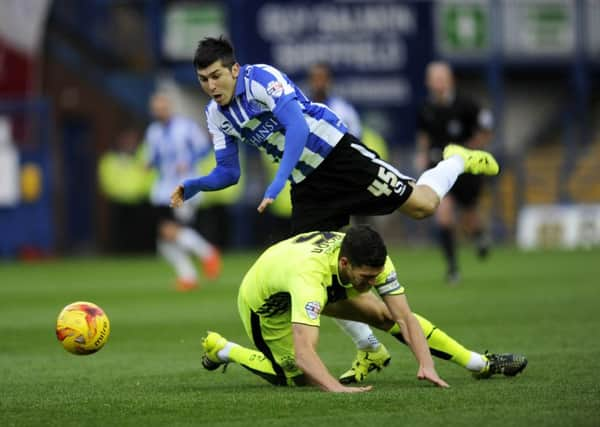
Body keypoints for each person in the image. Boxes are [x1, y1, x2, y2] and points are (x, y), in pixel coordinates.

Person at [170, 37, 499, 381]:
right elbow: (228, 172)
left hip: (339, 156)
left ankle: (457, 159)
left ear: (234, 69)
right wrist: (194, 185)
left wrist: (279, 180)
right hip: (310, 187)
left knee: (423, 206)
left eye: (216, 75)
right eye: (203, 79)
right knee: (314, 275)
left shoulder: (261, 80)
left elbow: (297, 127)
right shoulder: (216, 115)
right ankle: (371, 348)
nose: (211, 85)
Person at [200, 225, 527, 391]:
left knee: (386, 315)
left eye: (375, 277)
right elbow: (305, 351)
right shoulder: (309, 279)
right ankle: (224, 349)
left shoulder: (373, 260)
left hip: (307, 277)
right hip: (266, 304)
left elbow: (404, 317)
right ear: (345, 263)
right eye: (366, 278)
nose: (372, 284)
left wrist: (426, 363)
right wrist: (336, 388)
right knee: (298, 378)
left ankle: (478, 363)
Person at [416, 61, 495, 284]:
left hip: (465, 169)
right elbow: (423, 136)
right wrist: (422, 154)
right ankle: (452, 269)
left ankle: (479, 236)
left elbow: (486, 128)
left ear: (450, 80)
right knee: (444, 215)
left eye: (442, 78)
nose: (438, 83)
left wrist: (472, 149)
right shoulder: (425, 108)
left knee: (469, 218)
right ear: (428, 82)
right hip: (439, 168)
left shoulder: (467, 104)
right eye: (435, 79)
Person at [144, 91, 221, 291]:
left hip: (184, 187)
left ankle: (207, 253)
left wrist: (189, 161)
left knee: (171, 230)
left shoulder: (185, 127)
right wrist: (149, 164)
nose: (159, 111)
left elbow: (205, 147)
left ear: (169, 107)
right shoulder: (153, 131)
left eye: (162, 107)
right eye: (156, 109)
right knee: (165, 241)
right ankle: (189, 277)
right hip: (162, 190)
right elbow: (155, 157)